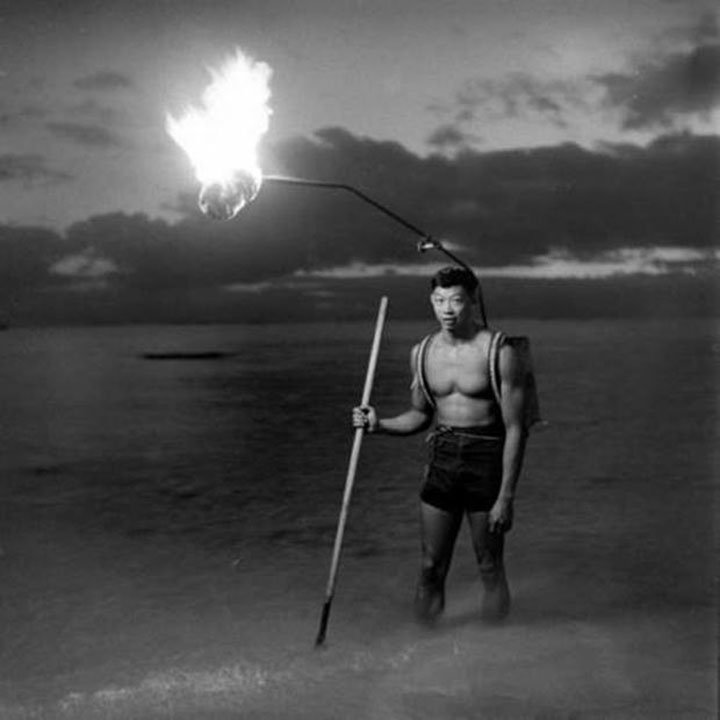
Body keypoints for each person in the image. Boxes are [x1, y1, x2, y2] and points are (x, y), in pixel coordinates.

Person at [352, 266, 528, 624]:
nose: (447, 309)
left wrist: (506, 497)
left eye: (456, 300)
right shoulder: (422, 353)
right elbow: (419, 416)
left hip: (485, 458)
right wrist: (378, 425)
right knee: (430, 566)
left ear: (473, 299)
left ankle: (497, 647)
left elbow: (516, 428)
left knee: (489, 565)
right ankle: (422, 647)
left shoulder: (500, 351)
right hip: (442, 457)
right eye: (439, 300)